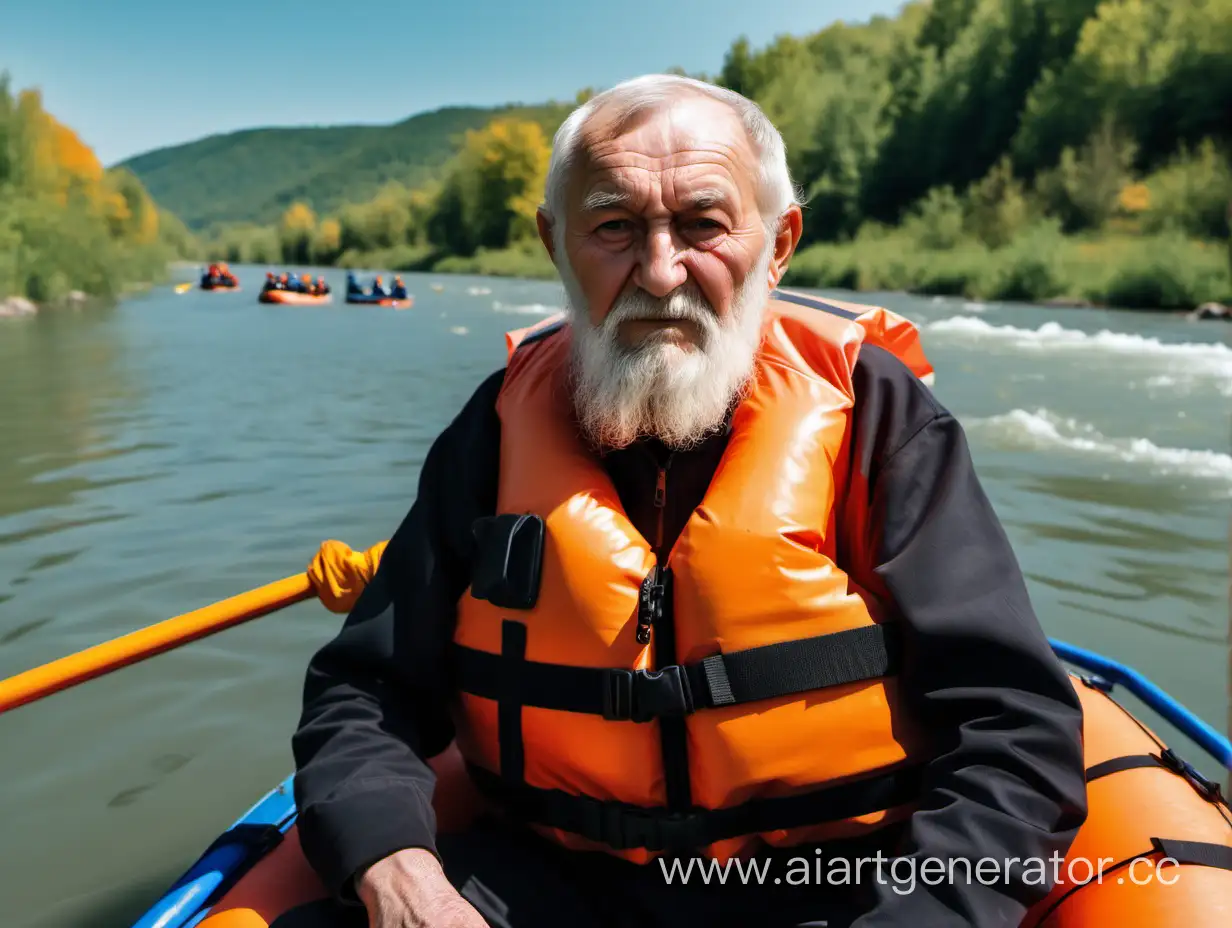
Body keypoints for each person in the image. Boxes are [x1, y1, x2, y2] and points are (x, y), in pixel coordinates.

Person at [290, 74, 1087, 928]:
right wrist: (398, 872)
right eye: (613, 227)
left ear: (778, 244)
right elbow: (363, 694)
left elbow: (1016, 728)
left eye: (703, 224)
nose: (661, 271)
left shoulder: (877, 418)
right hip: (547, 885)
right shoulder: (492, 430)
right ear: (555, 244)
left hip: (831, 893)